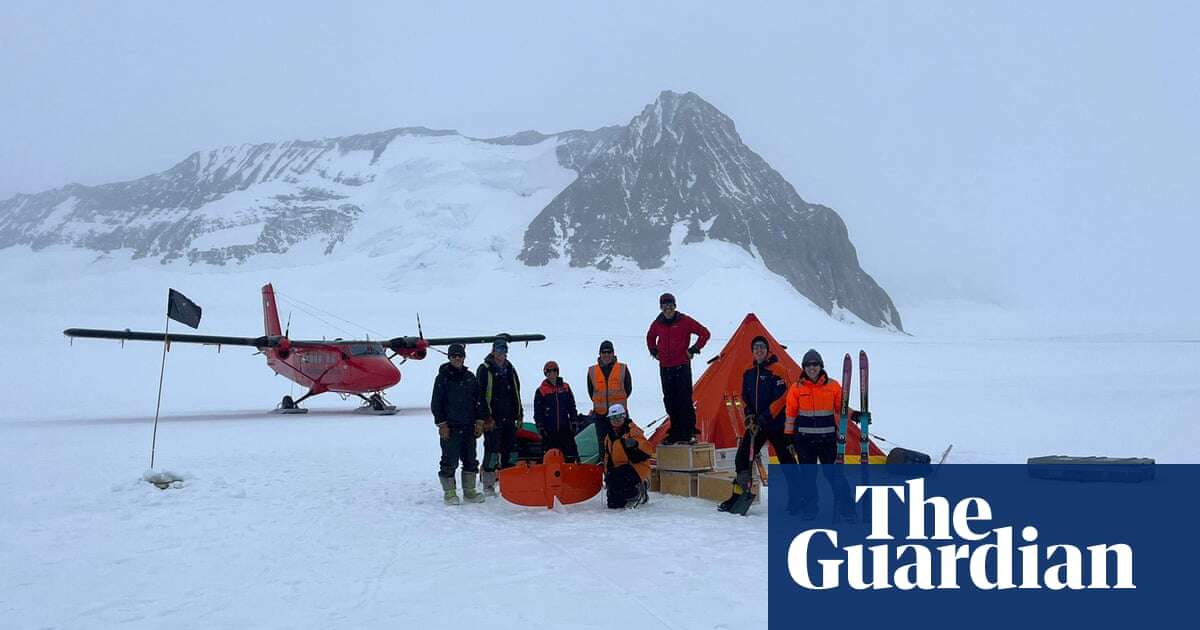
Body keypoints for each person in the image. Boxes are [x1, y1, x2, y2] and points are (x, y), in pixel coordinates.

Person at [718, 335, 799, 515]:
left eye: (762, 347)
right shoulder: (748, 370)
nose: (759, 350)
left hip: (777, 424)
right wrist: (749, 415)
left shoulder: (778, 369)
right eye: (756, 348)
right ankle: (739, 494)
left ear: (768, 349)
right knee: (742, 458)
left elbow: (784, 396)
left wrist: (765, 416)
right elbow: (744, 396)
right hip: (758, 425)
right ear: (752, 351)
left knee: (787, 461)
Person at [784, 349, 854, 520]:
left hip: (827, 439)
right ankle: (810, 508)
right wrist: (788, 436)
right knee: (808, 477)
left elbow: (841, 408)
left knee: (834, 475)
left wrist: (855, 414)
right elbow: (791, 413)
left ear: (821, 366)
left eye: (815, 364)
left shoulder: (832, 386)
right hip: (804, 441)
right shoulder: (796, 388)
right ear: (804, 368)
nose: (812, 368)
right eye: (808, 365)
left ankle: (847, 508)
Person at [646, 292, 710, 444]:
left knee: (684, 400)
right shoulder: (658, 323)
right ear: (661, 308)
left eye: (670, 305)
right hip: (665, 367)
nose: (668, 309)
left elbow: (704, 333)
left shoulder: (684, 321)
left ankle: (688, 432)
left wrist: (693, 349)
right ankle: (675, 432)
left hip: (681, 366)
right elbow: (650, 337)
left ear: (675, 306)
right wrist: (654, 351)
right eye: (665, 306)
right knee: (669, 400)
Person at [430, 343, 486, 505]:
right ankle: (450, 492)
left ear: (463, 357)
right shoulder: (442, 378)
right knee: (450, 460)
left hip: (468, 425)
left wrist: (480, 421)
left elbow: (479, 401)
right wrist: (442, 425)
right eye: (454, 356)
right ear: (449, 357)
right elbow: (436, 403)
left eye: (459, 355)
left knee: (470, 459)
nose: (457, 358)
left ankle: (469, 491)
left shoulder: (470, 377)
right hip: (451, 427)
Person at [477, 339, 523, 496]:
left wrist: (519, 413)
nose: (501, 354)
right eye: (499, 350)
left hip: (509, 417)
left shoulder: (510, 368)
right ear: (493, 351)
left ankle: (509, 484)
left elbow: (516, 391)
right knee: (491, 452)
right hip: (493, 419)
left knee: (510, 452)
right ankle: (488, 485)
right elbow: (480, 396)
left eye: (504, 351)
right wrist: (486, 417)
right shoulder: (485, 369)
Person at [601, 404, 652, 509]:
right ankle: (627, 493)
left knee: (618, 476)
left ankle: (637, 492)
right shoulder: (608, 437)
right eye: (613, 418)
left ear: (624, 416)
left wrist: (635, 445)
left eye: (619, 417)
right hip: (618, 470)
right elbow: (607, 457)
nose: (616, 420)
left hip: (637, 467)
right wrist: (607, 474)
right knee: (613, 504)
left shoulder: (632, 430)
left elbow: (647, 451)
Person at [587, 339, 632, 445]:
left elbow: (628, 389)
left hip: (619, 416)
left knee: (622, 444)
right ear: (600, 354)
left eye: (609, 352)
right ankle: (604, 461)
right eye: (604, 352)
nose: (606, 355)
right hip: (601, 416)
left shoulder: (622, 368)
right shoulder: (592, 371)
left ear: (613, 353)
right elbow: (591, 392)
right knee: (603, 444)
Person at [534, 360, 580, 462]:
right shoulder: (541, 391)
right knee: (549, 457)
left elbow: (571, 406)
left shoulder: (565, 388)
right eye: (549, 371)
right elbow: (538, 412)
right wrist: (540, 426)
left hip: (565, 429)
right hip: (549, 431)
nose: (552, 373)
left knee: (571, 456)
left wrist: (574, 420)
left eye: (554, 370)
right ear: (545, 373)